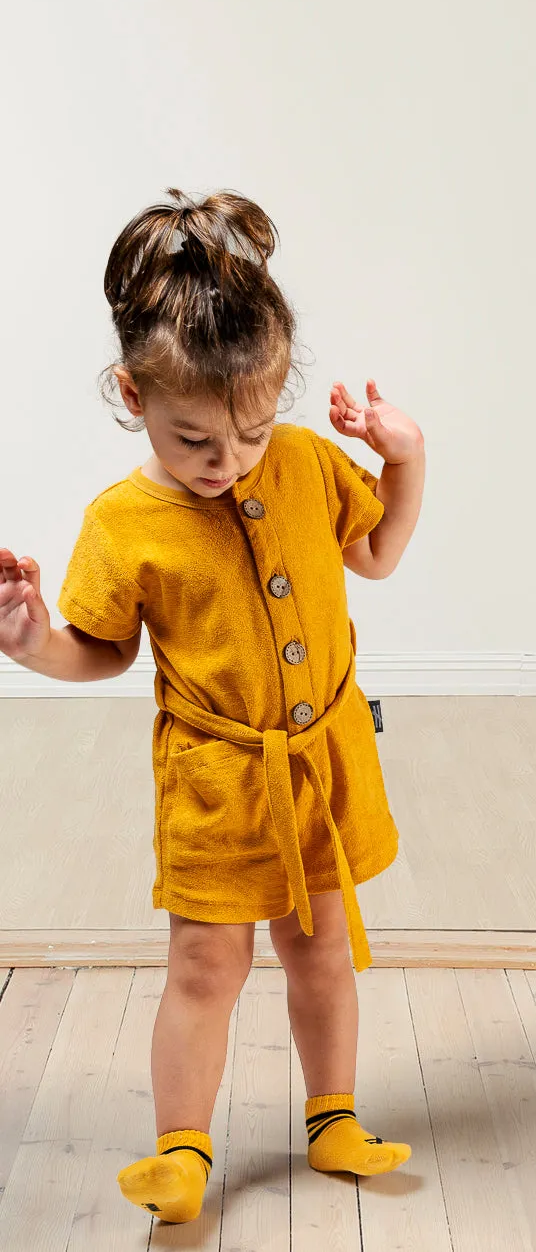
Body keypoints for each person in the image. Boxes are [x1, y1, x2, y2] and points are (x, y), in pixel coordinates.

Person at [0, 188, 426, 1224]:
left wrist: (404, 457)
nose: (227, 459)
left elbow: (374, 552)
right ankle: (181, 1147)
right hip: (214, 779)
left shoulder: (310, 464)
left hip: (318, 766)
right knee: (206, 961)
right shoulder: (125, 521)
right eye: (195, 436)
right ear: (132, 391)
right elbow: (99, 649)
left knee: (321, 946)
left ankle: (333, 1118)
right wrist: (29, 643)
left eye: (248, 429)